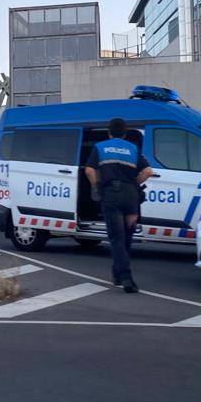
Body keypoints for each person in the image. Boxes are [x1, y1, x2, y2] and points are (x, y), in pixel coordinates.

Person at [85, 117, 154, 293]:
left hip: (111, 196)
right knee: (127, 239)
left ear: (109, 132)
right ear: (124, 133)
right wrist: (134, 184)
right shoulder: (133, 148)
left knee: (116, 238)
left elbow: (89, 170)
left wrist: (97, 186)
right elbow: (148, 171)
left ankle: (126, 277)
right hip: (131, 197)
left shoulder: (100, 147)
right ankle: (117, 274)